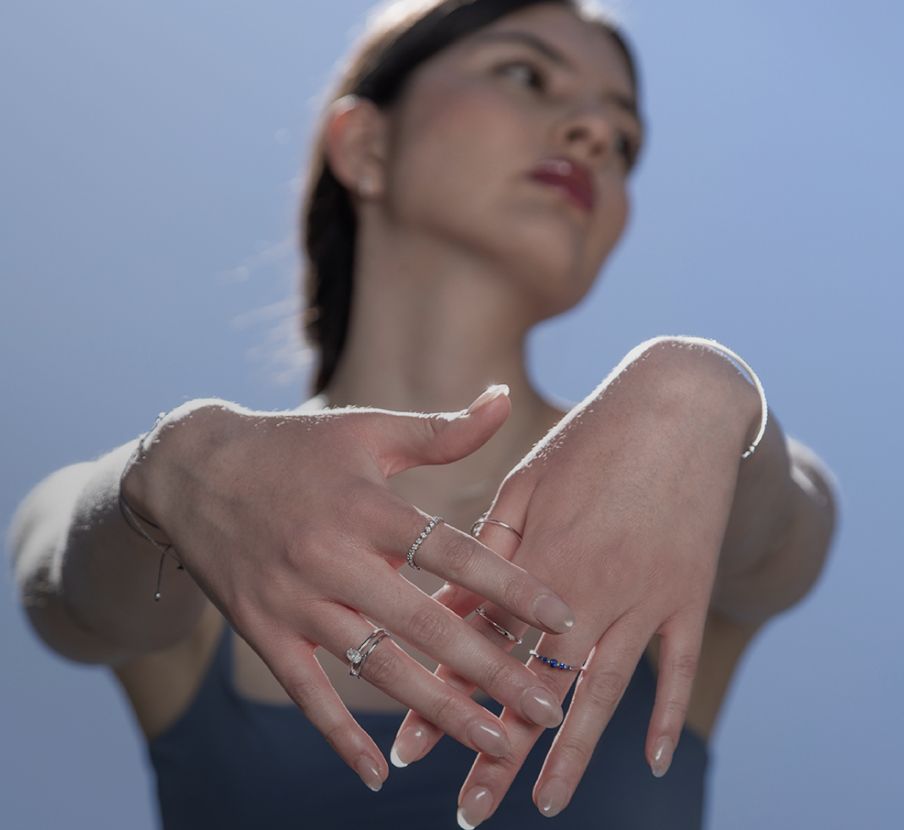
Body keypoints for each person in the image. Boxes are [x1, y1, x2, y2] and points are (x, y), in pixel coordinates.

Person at [8, 0, 839, 827]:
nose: (592, 131)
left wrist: (708, 393)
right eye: (526, 73)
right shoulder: (200, 505)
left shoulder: (669, 504)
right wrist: (172, 467)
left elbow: (790, 543)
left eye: (623, 138)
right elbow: (64, 588)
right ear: (366, 145)